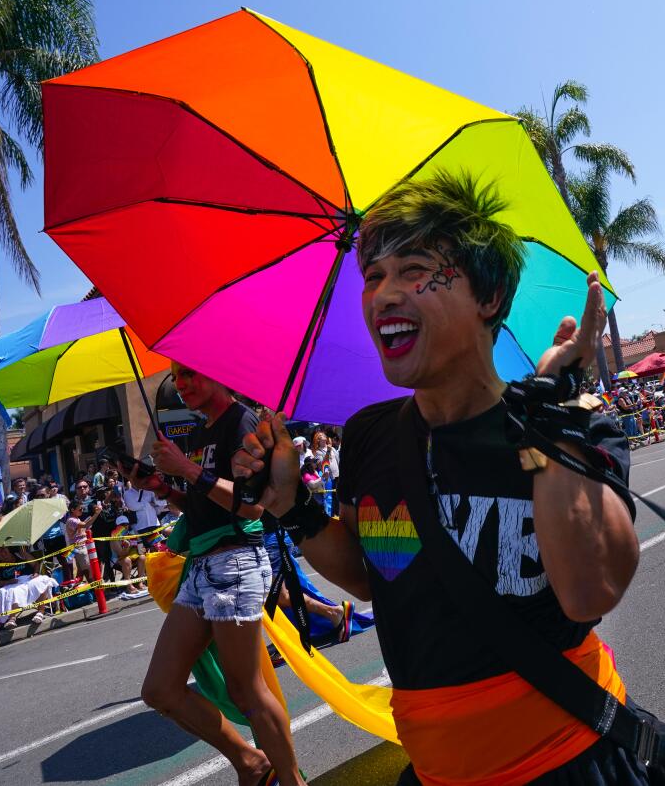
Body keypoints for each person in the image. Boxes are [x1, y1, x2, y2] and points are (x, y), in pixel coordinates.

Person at [235, 172, 642, 785]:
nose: (382, 296)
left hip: (569, 761)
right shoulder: (370, 434)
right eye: (373, 276)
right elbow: (375, 578)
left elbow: (590, 592)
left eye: (414, 269)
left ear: (489, 294)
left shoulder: (575, 425)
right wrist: (292, 506)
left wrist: (553, 410)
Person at [120, 363, 303, 786]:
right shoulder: (203, 432)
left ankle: (292, 782)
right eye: (177, 378)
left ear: (219, 374)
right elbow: (204, 508)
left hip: (236, 561)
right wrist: (161, 487)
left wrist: (185, 468)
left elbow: (252, 506)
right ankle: (251, 763)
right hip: (202, 567)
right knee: (160, 689)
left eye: (190, 375)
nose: (182, 386)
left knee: (247, 690)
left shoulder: (243, 423)